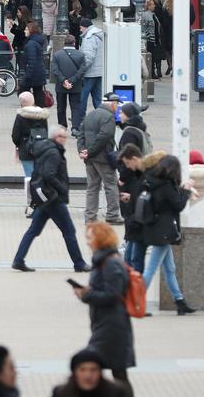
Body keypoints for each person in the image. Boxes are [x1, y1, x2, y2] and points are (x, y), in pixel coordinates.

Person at [13, 127, 90, 273]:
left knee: (33, 230)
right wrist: (62, 189)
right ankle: (79, 263)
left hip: (44, 198)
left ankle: (18, 260)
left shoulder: (45, 149)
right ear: (56, 137)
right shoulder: (54, 152)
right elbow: (49, 174)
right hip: (53, 199)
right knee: (69, 231)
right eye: (63, 136)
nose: (65, 139)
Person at [70, 222, 136, 395]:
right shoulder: (103, 260)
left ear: (100, 239)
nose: (87, 241)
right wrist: (88, 293)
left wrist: (87, 295)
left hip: (112, 326)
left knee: (97, 365)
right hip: (106, 323)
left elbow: (113, 295)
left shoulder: (111, 263)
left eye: (90, 237)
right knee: (117, 371)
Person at [138, 154, 198, 315]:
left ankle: (180, 302)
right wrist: (185, 191)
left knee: (170, 268)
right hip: (163, 232)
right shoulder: (165, 186)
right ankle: (136, 302)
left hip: (156, 229)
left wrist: (181, 189)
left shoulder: (153, 181)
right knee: (151, 269)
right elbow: (177, 205)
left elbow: (168, 200)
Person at [34, 349, 137, 397]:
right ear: (75, 373)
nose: (88, 376)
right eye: (82, 370)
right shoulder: (62, 396)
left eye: (93, 370)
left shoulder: (115, 396)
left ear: (100, 372)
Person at [76, 93, 123, 224]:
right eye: (117, 105)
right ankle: (112, 215)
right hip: (103, 158)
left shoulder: (90, 115)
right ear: (113, 104)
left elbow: (81, 135)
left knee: (92, 187)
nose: (117, 108)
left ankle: (90, 217)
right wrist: (90, 152)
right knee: (111, 185)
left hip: (89, 159)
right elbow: (104, 137)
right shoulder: (108, 117)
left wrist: (82, 151)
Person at [11, 90, 49, 181]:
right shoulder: (42, 115)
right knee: (39, 175)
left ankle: (31, 193)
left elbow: (16, 135)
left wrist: (18, 145)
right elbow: (46, 131)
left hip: (25, 148)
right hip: (41, 148)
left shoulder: (21, 115)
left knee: (29, 176)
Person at [50, 34, 86, 131]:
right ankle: (75, 127)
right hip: (76, 85)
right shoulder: (81, 55)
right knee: (75, 107)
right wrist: (72, 81)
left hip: (61, 86)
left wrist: (64, 81)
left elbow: (55, 70)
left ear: (64, 43)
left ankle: (62, 126)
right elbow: (82, 71)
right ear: (74, 43)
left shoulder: (57, 55)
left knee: (61, 107)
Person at [75, 19, 105, 120]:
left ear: (84, 27)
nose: (80, 30)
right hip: (99, 72)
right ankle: (102, 118)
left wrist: (81, 70)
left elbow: (88, 57)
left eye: (81, 28)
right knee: (98, 98)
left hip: (89, 73)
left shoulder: (89, 37)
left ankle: (79, 118)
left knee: (82, 97)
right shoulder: (99, 35)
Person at [21, 21, 48, 105]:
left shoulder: (31, 44)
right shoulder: (36, 41)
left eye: (26, 29)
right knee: (38, 93)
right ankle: (39, 113)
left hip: (33, 73)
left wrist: (27, 75)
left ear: (31, 31)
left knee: (23, 92)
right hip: (38, 72)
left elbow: (31, 60)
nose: (24, 31)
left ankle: (28, 111)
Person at [140, 0, 162, 80]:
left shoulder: (153, 14)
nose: (154, 6)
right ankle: (152, 73)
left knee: (154, 56)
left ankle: (153, 73)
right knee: (151, 56)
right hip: (149, 39)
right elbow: (144, 27)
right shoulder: (146, 15)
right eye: (152, 4)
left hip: (154, 39)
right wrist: (146, 36)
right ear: (148, 6)